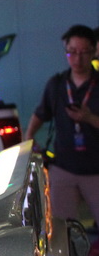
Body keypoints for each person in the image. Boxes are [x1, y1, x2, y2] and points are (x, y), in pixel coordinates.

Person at [25, 24, 99, 228]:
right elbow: (41, 113)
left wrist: (89, 118)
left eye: (83, 52)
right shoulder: (57, 84)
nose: (77, 59)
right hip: (64, 167)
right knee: (61, 228)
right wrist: (29, 137)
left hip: (96, 168)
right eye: (72, 52)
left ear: (93, 51)